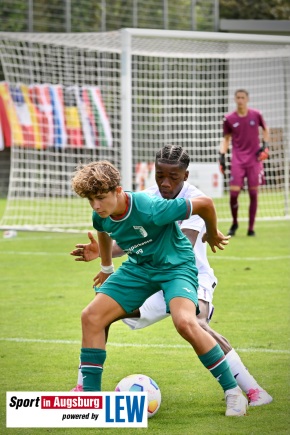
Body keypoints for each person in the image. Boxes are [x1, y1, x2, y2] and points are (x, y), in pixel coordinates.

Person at [71, 145, 272, 407]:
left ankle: (238, 391)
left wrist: (212, 232)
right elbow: (108, 232)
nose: (96, 206)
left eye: (173, 176)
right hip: (142, 269)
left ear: (185, 175)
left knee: (189, 323)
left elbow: (203, 209)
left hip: (181, 269)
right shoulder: (106, 210)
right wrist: (105, 265)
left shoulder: (155, 205)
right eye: (160, 175)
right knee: (93, 316)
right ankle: (89, 396)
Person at [219, 89, 270, 236]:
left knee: (254, 193)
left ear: (247, 99)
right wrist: (222, 155)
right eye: (238, 98)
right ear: (235, 100)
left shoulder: (256, 114)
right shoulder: (229, 118)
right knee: (233, 194)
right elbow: (226, 139)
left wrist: (265, 145)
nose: (240, 100)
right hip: (238, 160)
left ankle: (251, 228)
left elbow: (266, 129)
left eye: (243, 97)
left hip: (254, 159)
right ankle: (235, 223)